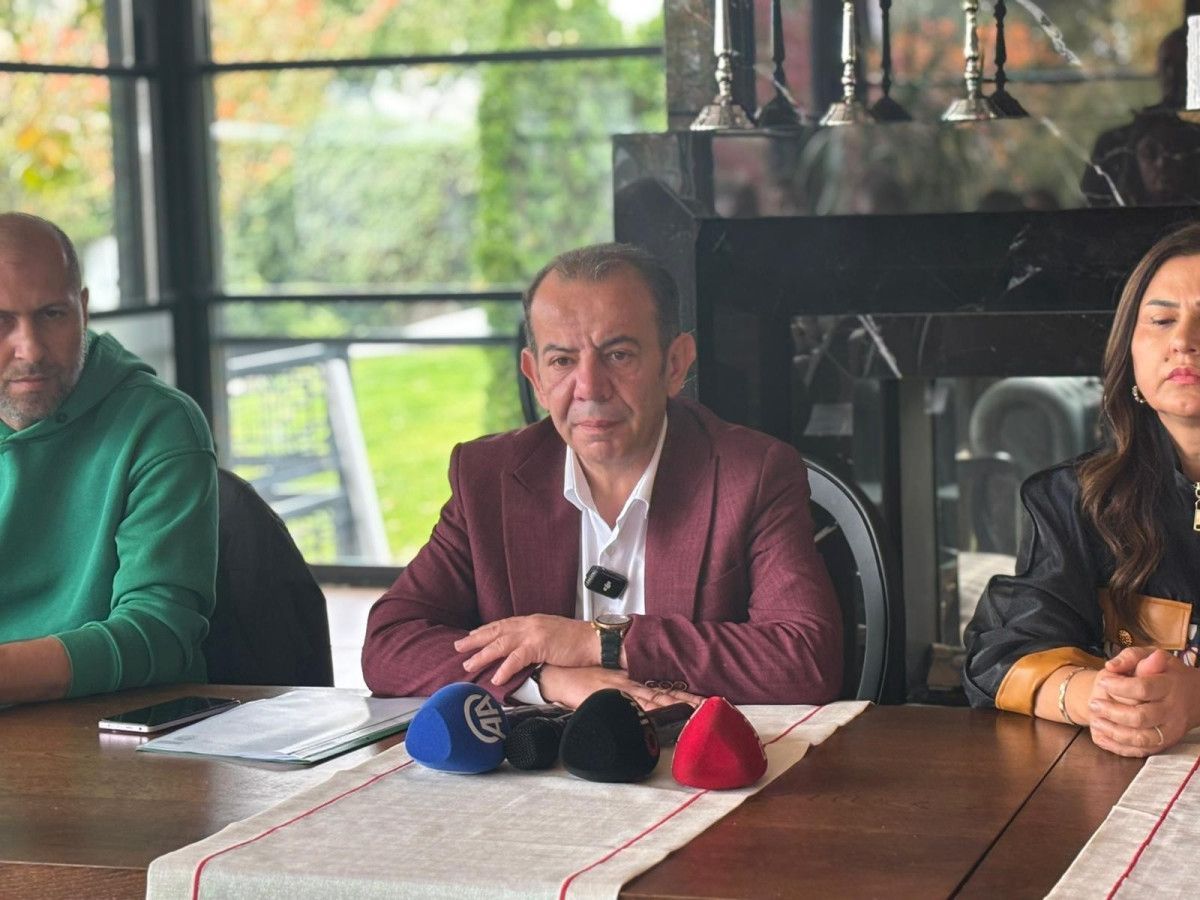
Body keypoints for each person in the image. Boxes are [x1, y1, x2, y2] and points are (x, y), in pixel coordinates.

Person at [362, 243, 842, 709]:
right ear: (535, 377)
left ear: (674, 364)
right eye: (562, 361)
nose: (590, 388)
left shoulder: (753, 474)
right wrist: (546, 679)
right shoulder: (487, 478)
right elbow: (389, 644)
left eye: (618, 355)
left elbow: (806, 659)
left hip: (699, 753)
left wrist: (598, 642)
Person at [964, 222, 1200, 757]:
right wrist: (1099, 698)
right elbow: (1003, 653)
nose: (1183, 340)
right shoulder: (1075, 499)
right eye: (1161, 320)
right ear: (1130, 351)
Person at [0, 212, 217, 704]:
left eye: (52, 314)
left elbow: (161, 632)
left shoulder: (159, 423)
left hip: (111, 724)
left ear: (83, 308)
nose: (30, 349)